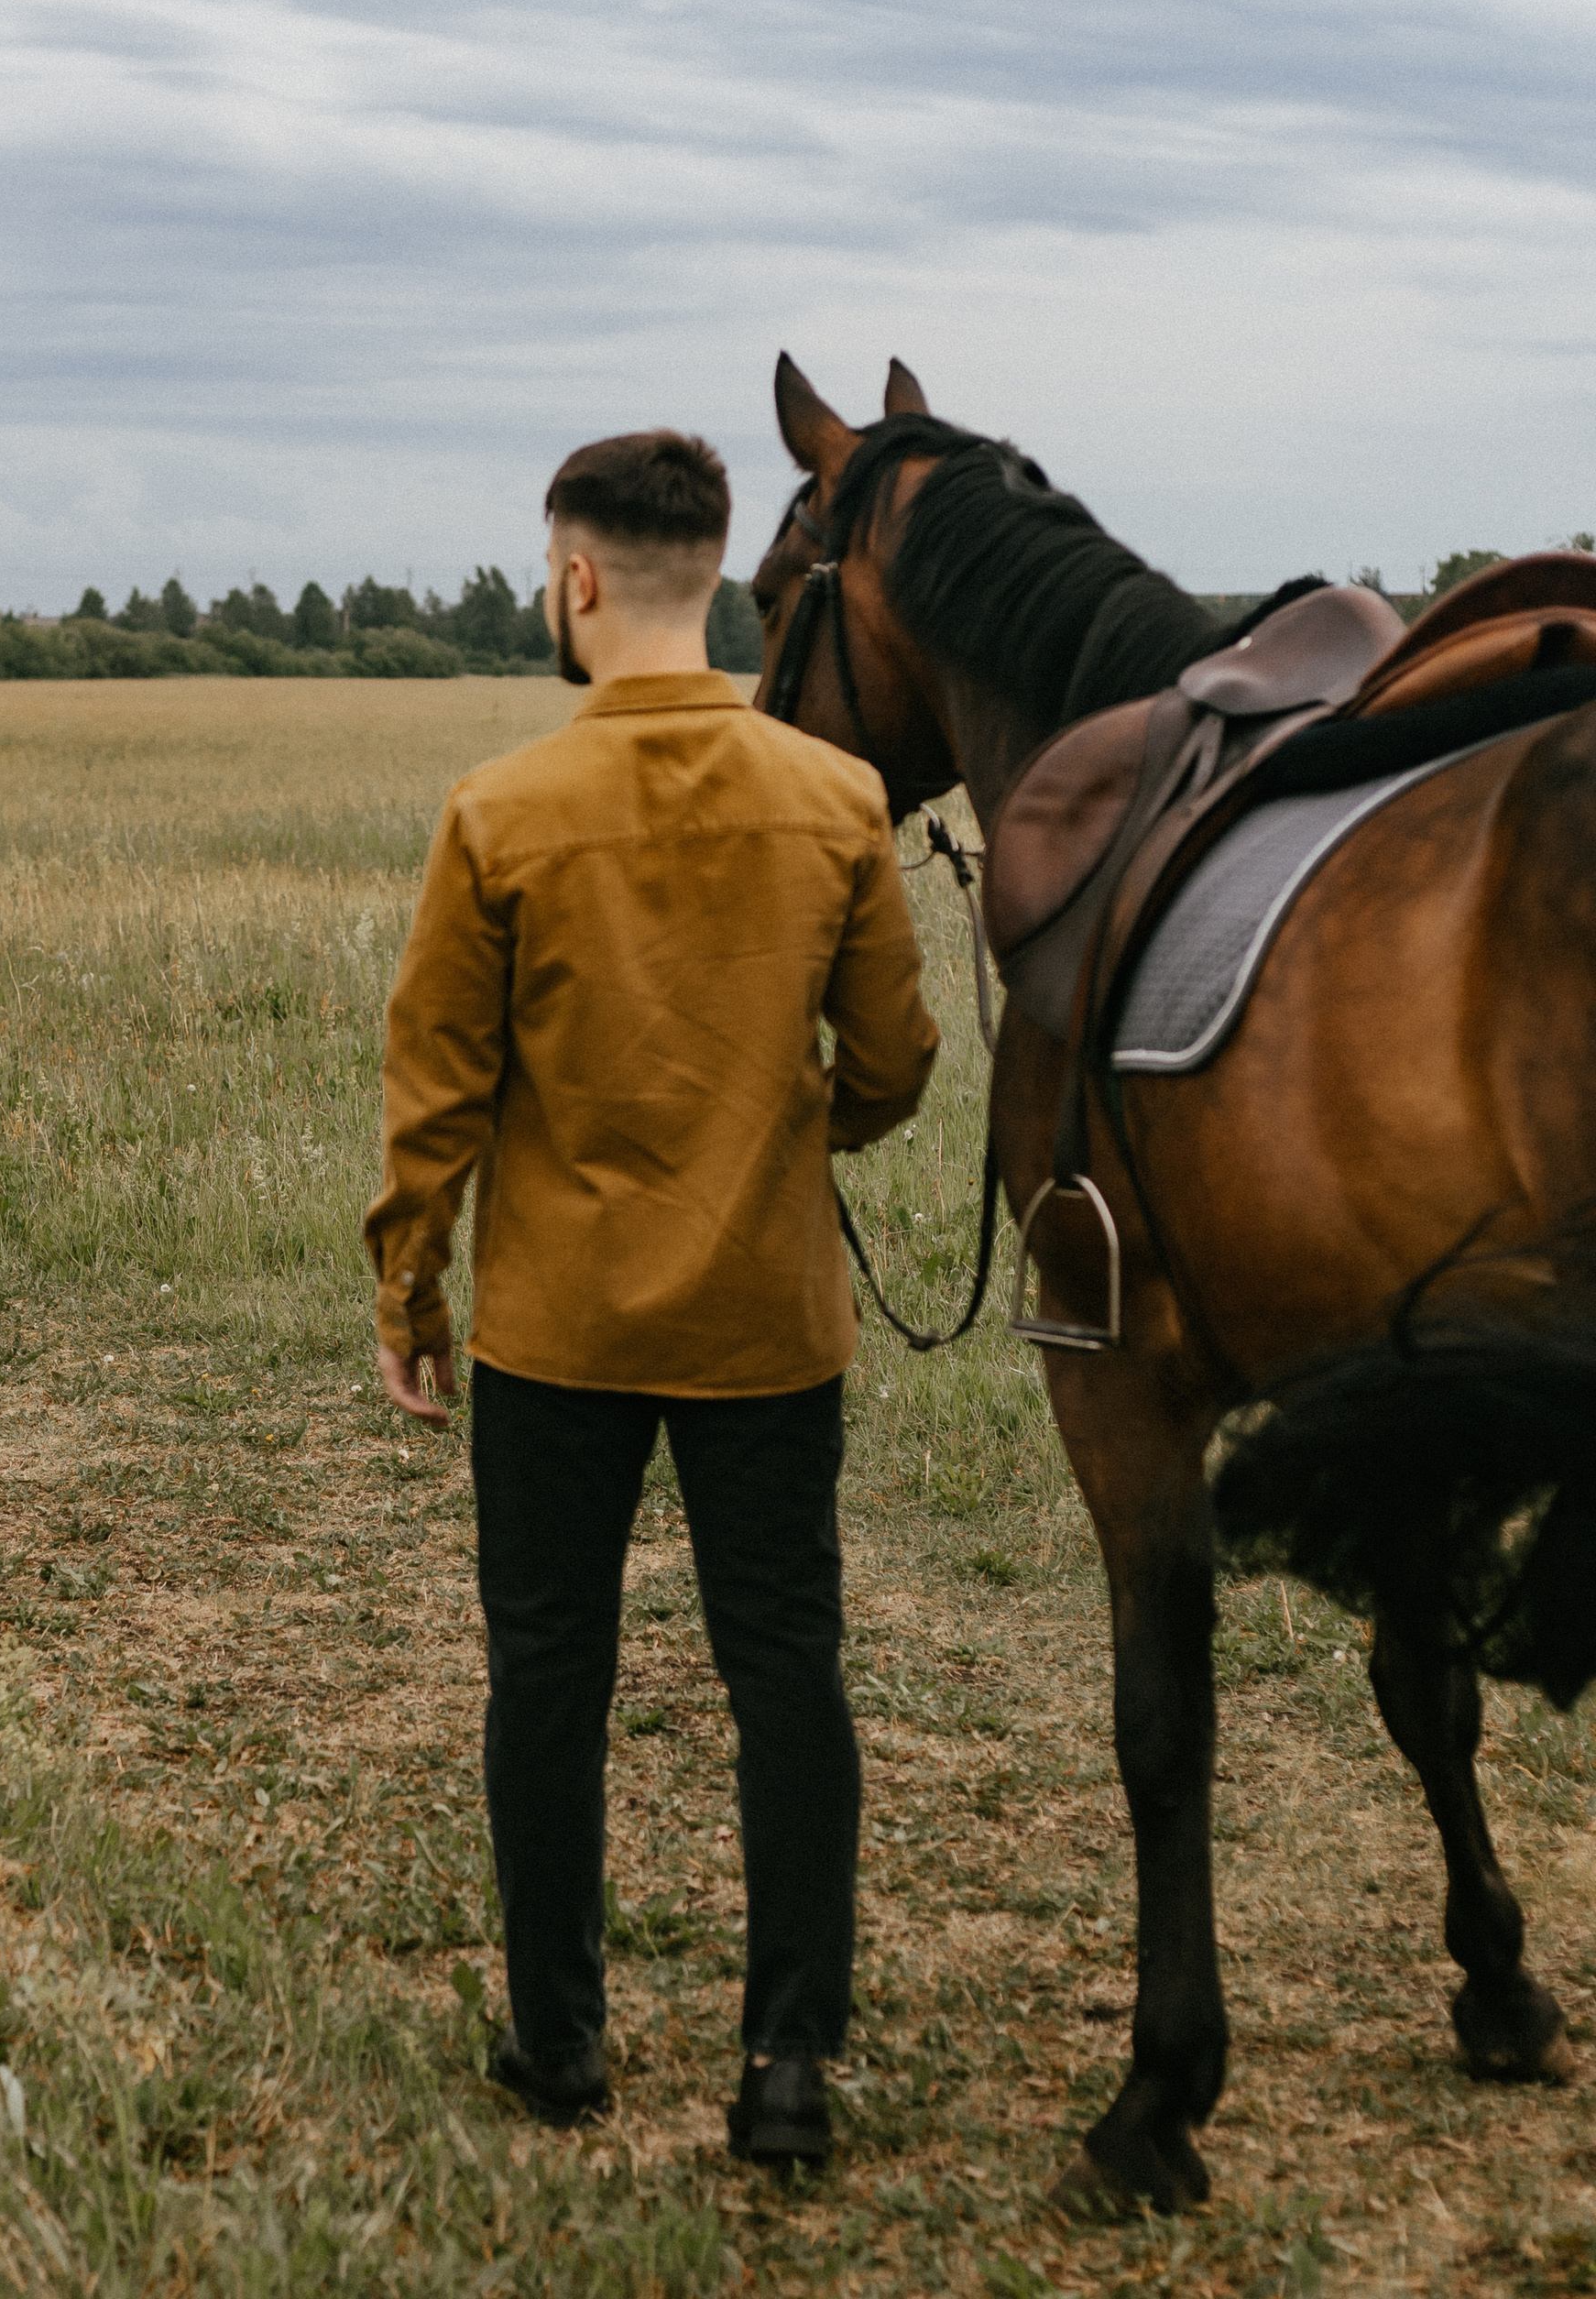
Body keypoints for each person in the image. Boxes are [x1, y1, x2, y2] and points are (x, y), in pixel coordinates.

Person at [364, 431, 938, 2167]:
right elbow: (902, 1059)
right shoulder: (835, 800)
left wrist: (413, 1286)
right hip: (768, 1328)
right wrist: (786, 1126)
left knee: (548, 1674)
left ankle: (560, 2045)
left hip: (557, 1332)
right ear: (709, 580)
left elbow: (439, 1091)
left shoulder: (502, 811)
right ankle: (787, 2071)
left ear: (581, 580)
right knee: (790, 1675)